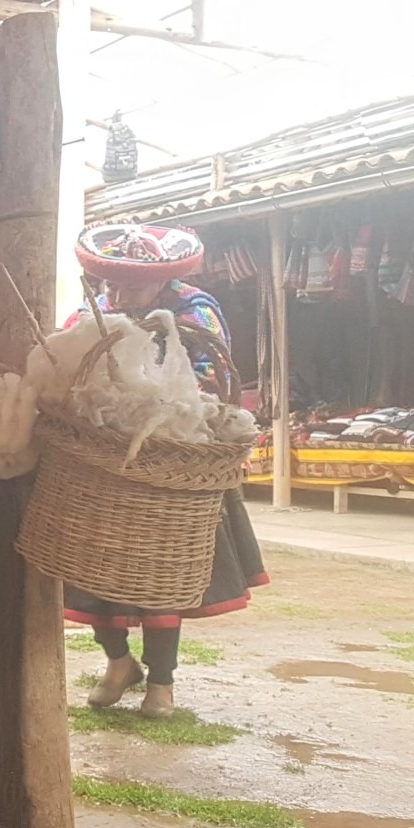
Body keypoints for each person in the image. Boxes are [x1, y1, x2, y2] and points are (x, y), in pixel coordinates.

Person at [67, 223, 269, 718]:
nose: (116, 293)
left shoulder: (195, 312)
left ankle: (162, 684)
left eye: (129, 285)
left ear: (161, 280)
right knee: (100, 568)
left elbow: (210, 379)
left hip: (175, 460)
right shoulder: (96, 311)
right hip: (105, 462)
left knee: (161, 574)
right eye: (109, 283)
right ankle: (118, 662)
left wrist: (153, 407)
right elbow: (70, 365)